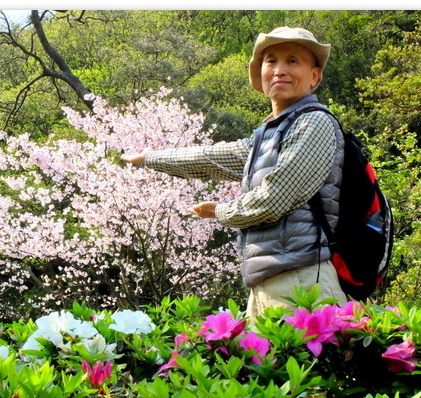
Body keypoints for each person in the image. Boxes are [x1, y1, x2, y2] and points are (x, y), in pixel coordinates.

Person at [121, 26, 347, 318]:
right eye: (271, 61)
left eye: (293, 61)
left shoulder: (314, 123)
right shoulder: (269, 136)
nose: (279, 70)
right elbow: (210, 158)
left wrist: (221, 211)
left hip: (302, 280)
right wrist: (150, 157)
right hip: (269, 281)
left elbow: (274, 200)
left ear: (314, 75)